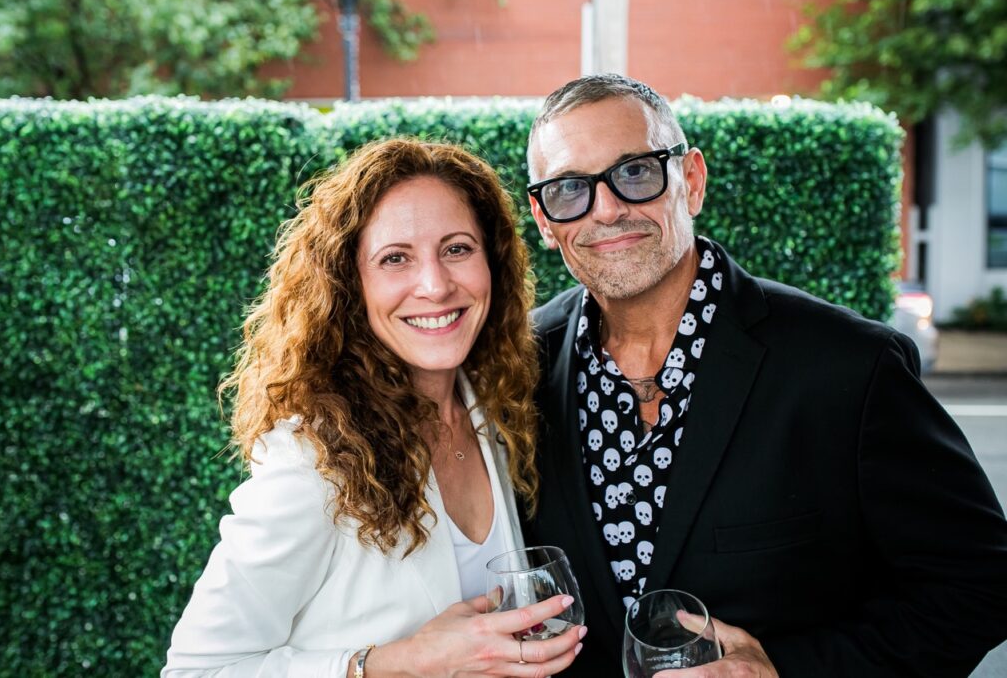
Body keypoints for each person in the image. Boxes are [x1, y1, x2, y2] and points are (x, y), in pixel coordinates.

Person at [521, 73, 1007, 677]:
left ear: (691, 180)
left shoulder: (849, 367)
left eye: (637, 172)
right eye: (570, 188)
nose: (608, 208)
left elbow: (979, 583)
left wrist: (784, 670)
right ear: (544, 219)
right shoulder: (518, 367)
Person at [162, 138, 586, 677]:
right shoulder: (314, 456)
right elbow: (197, 670)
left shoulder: (494, 409)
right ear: (350, 284)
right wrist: (397, 663)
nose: (434, 285)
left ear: (493, 263)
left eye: (457, 249)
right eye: (395, 259)